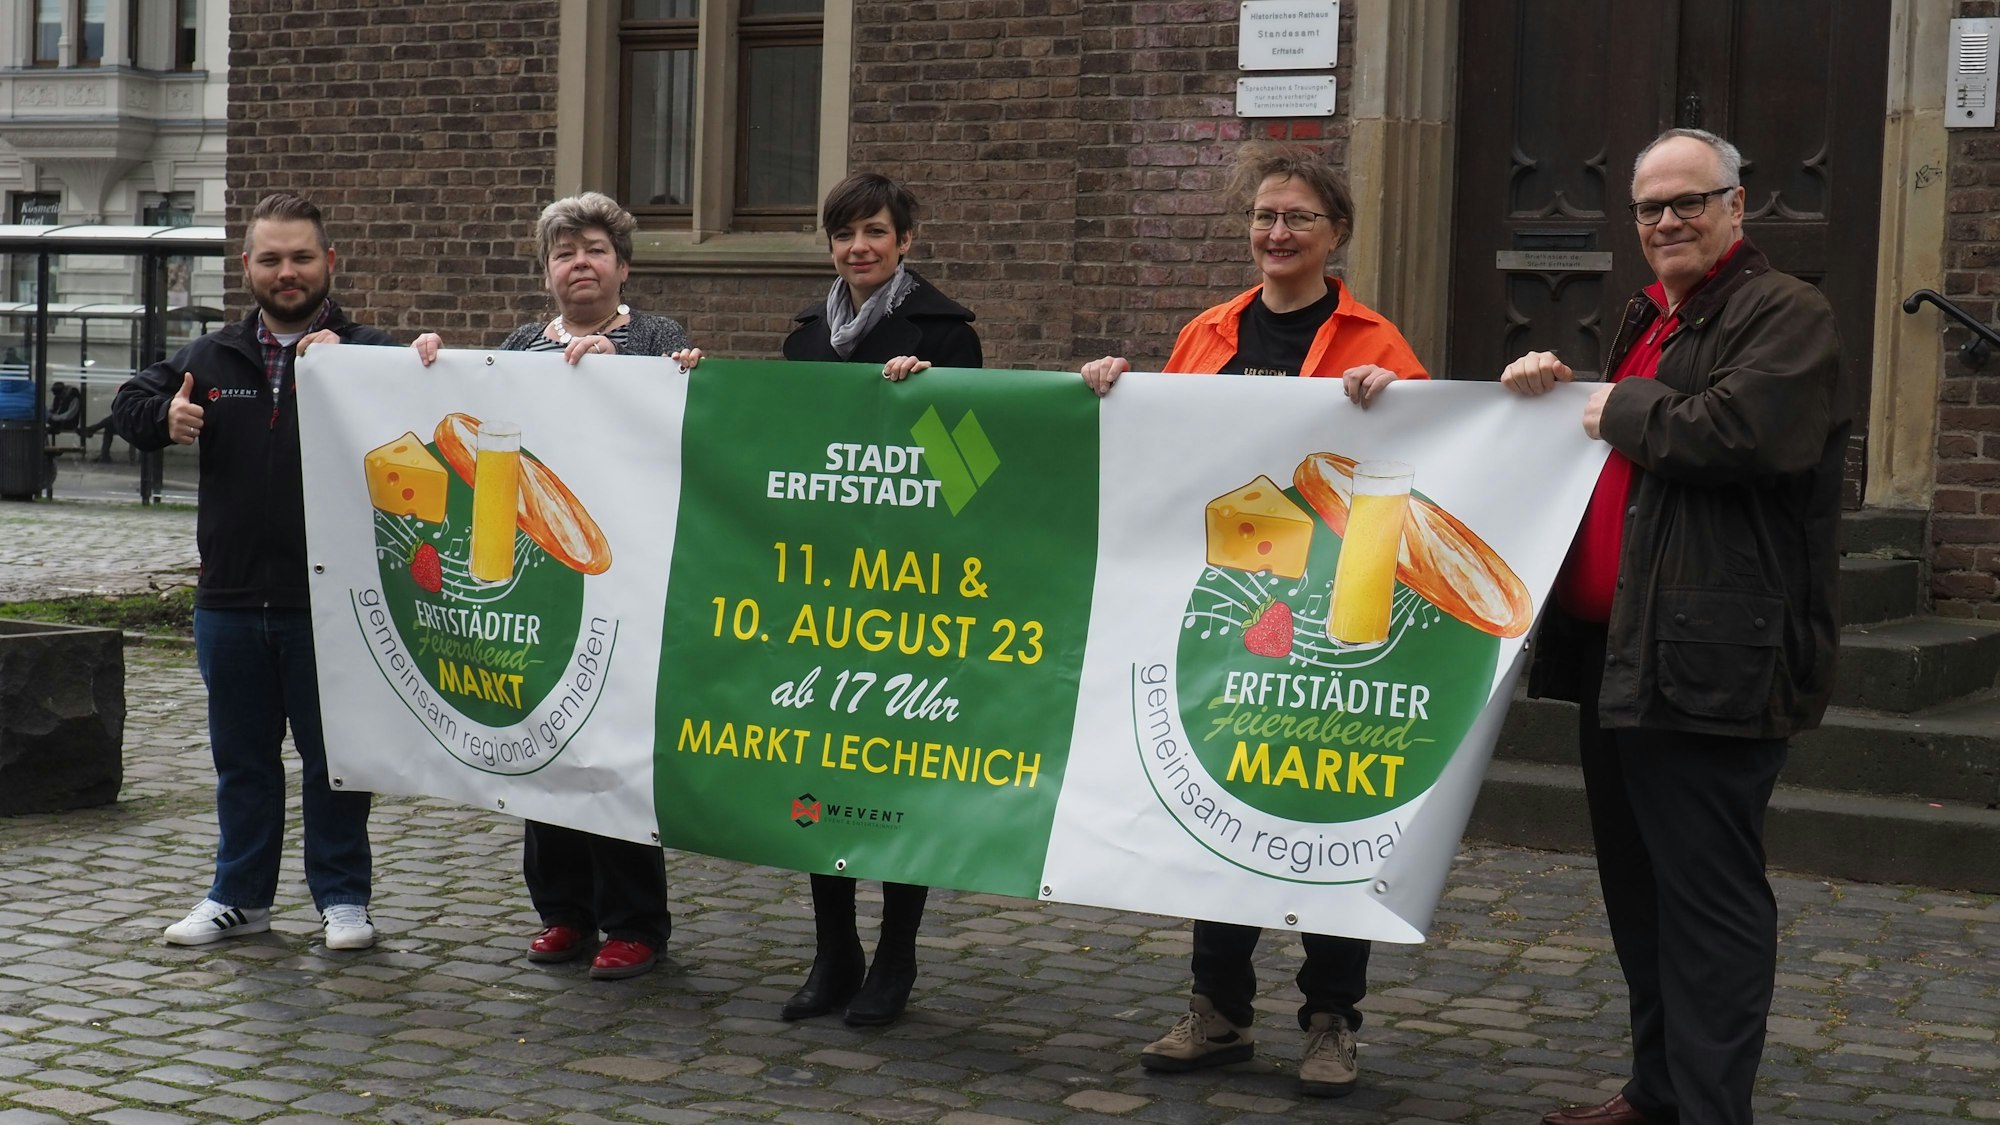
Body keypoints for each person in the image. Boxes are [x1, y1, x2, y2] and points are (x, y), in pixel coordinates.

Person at [1501, 128, 1844, 1125]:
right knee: (1638, 897)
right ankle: (1655, 1092)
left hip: (1711, 659)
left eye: (1689, 201)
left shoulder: (1786, 313)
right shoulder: (1649, 317)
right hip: (1625, 656)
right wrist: (1553, 395)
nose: (1667, 221)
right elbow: (1618, 438)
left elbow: (1739, 433)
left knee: (1706, 908)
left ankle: (1704, 1109)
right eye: (1650, 207)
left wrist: (1605, 404)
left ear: (1737, 206)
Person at [1079, 142, 1428, 1098]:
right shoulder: (1208, 332)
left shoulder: (1377, 343)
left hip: (1336, 614)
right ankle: (1219, 1008)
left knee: (1323, 810)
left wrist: (1395, 407)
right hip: (1230, 608)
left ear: (1336, 235)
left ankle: (1330, 1019)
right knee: (1222, 811)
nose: (1277, 234)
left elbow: (1418, 476)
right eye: (1265, 217)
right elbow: (1171, 450)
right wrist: (1120, 383)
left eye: (1298, 219)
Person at [675, 172, 977, 1025]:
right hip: (820, 590)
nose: (860, 249)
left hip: (907, 595)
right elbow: (774, 450)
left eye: (877, 232)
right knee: (821, 768)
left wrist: (930, 403)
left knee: (898, 773)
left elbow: (966, 479)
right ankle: (832, 948)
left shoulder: (948, 336)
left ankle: (897, 954)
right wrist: (697, 383)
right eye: (846, 234)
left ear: (906, 240)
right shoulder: (808, 335)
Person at [111, 192, 412, 951]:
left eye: (301, 257)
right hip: (231, 600)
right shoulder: (211, 358)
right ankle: (238, 897)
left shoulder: (369, 350)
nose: (287, 272)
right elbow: (132, 400)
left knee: (334, 763)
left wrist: (402, 366)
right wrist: (163, 419)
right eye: (271, 258)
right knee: (242, 761)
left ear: (329, 263)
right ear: (246, 266)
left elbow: (426, 414)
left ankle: (343, 899)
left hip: (332, 603)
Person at [502, 192, 688, 981]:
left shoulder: (657, 338)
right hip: (542, 578)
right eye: (564, 252)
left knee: (613, 752)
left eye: (595, 249)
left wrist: (631, 378)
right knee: (546, 742)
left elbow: (675, 424)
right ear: (548, 273)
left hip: (625, 572)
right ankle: (564, 912)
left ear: (623, 264)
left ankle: (634, 922)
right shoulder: (515, 347)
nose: (581, 262)